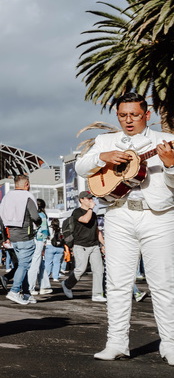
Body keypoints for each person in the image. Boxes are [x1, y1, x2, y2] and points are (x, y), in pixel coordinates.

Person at [74, 92, 174, 362]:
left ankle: (170, 344)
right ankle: (116, 342)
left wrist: (170, 165)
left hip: (160, 217)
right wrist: (102, 157)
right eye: (122, 115)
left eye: (134, 115)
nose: (128, 120)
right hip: (119, 215)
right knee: (116, 282)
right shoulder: (105, 140)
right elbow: (82, 168)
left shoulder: (168, 142)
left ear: (147, 115)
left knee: (163, 283)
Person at [0, 174, 41, 305]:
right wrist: (39, 222)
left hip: (13, 236)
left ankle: (26, 293)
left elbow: (1, 218)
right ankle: (15, 290)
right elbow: (35, 216)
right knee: (24, 265)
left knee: (22, 265)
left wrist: (5, 238)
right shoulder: (27, 196)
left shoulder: (7, 197)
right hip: (25, 235)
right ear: (26, 184)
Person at [60, 191, 105, 302]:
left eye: (91, 198)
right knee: (81, 269)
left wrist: (104, 244)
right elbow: (85, 220)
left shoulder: (93, 214)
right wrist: (90, 209)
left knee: (99, 269)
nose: (91, 200)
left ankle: (97, 294)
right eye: (88, 199)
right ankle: (67, 284)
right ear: (81, 200)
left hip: (94, 245)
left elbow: (97, 230)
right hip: (80, 245)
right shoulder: (77, 212)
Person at [28, 199, 49, 295]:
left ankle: (44, 286)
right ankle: (30, 287)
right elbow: (44, 230)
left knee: (39, 263)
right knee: (35, 263)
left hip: (31, 239)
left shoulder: (31, 214)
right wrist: (44, 241)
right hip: (39, 240)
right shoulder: (42, 216)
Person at [40, 218, 63, 294]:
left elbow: (45, 236)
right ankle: (55, 277)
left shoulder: (49, 229)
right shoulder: (60, 229)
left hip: (49, 246)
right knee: (57, 262)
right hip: (60, 247)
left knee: (48, 262)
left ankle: (47, 276)